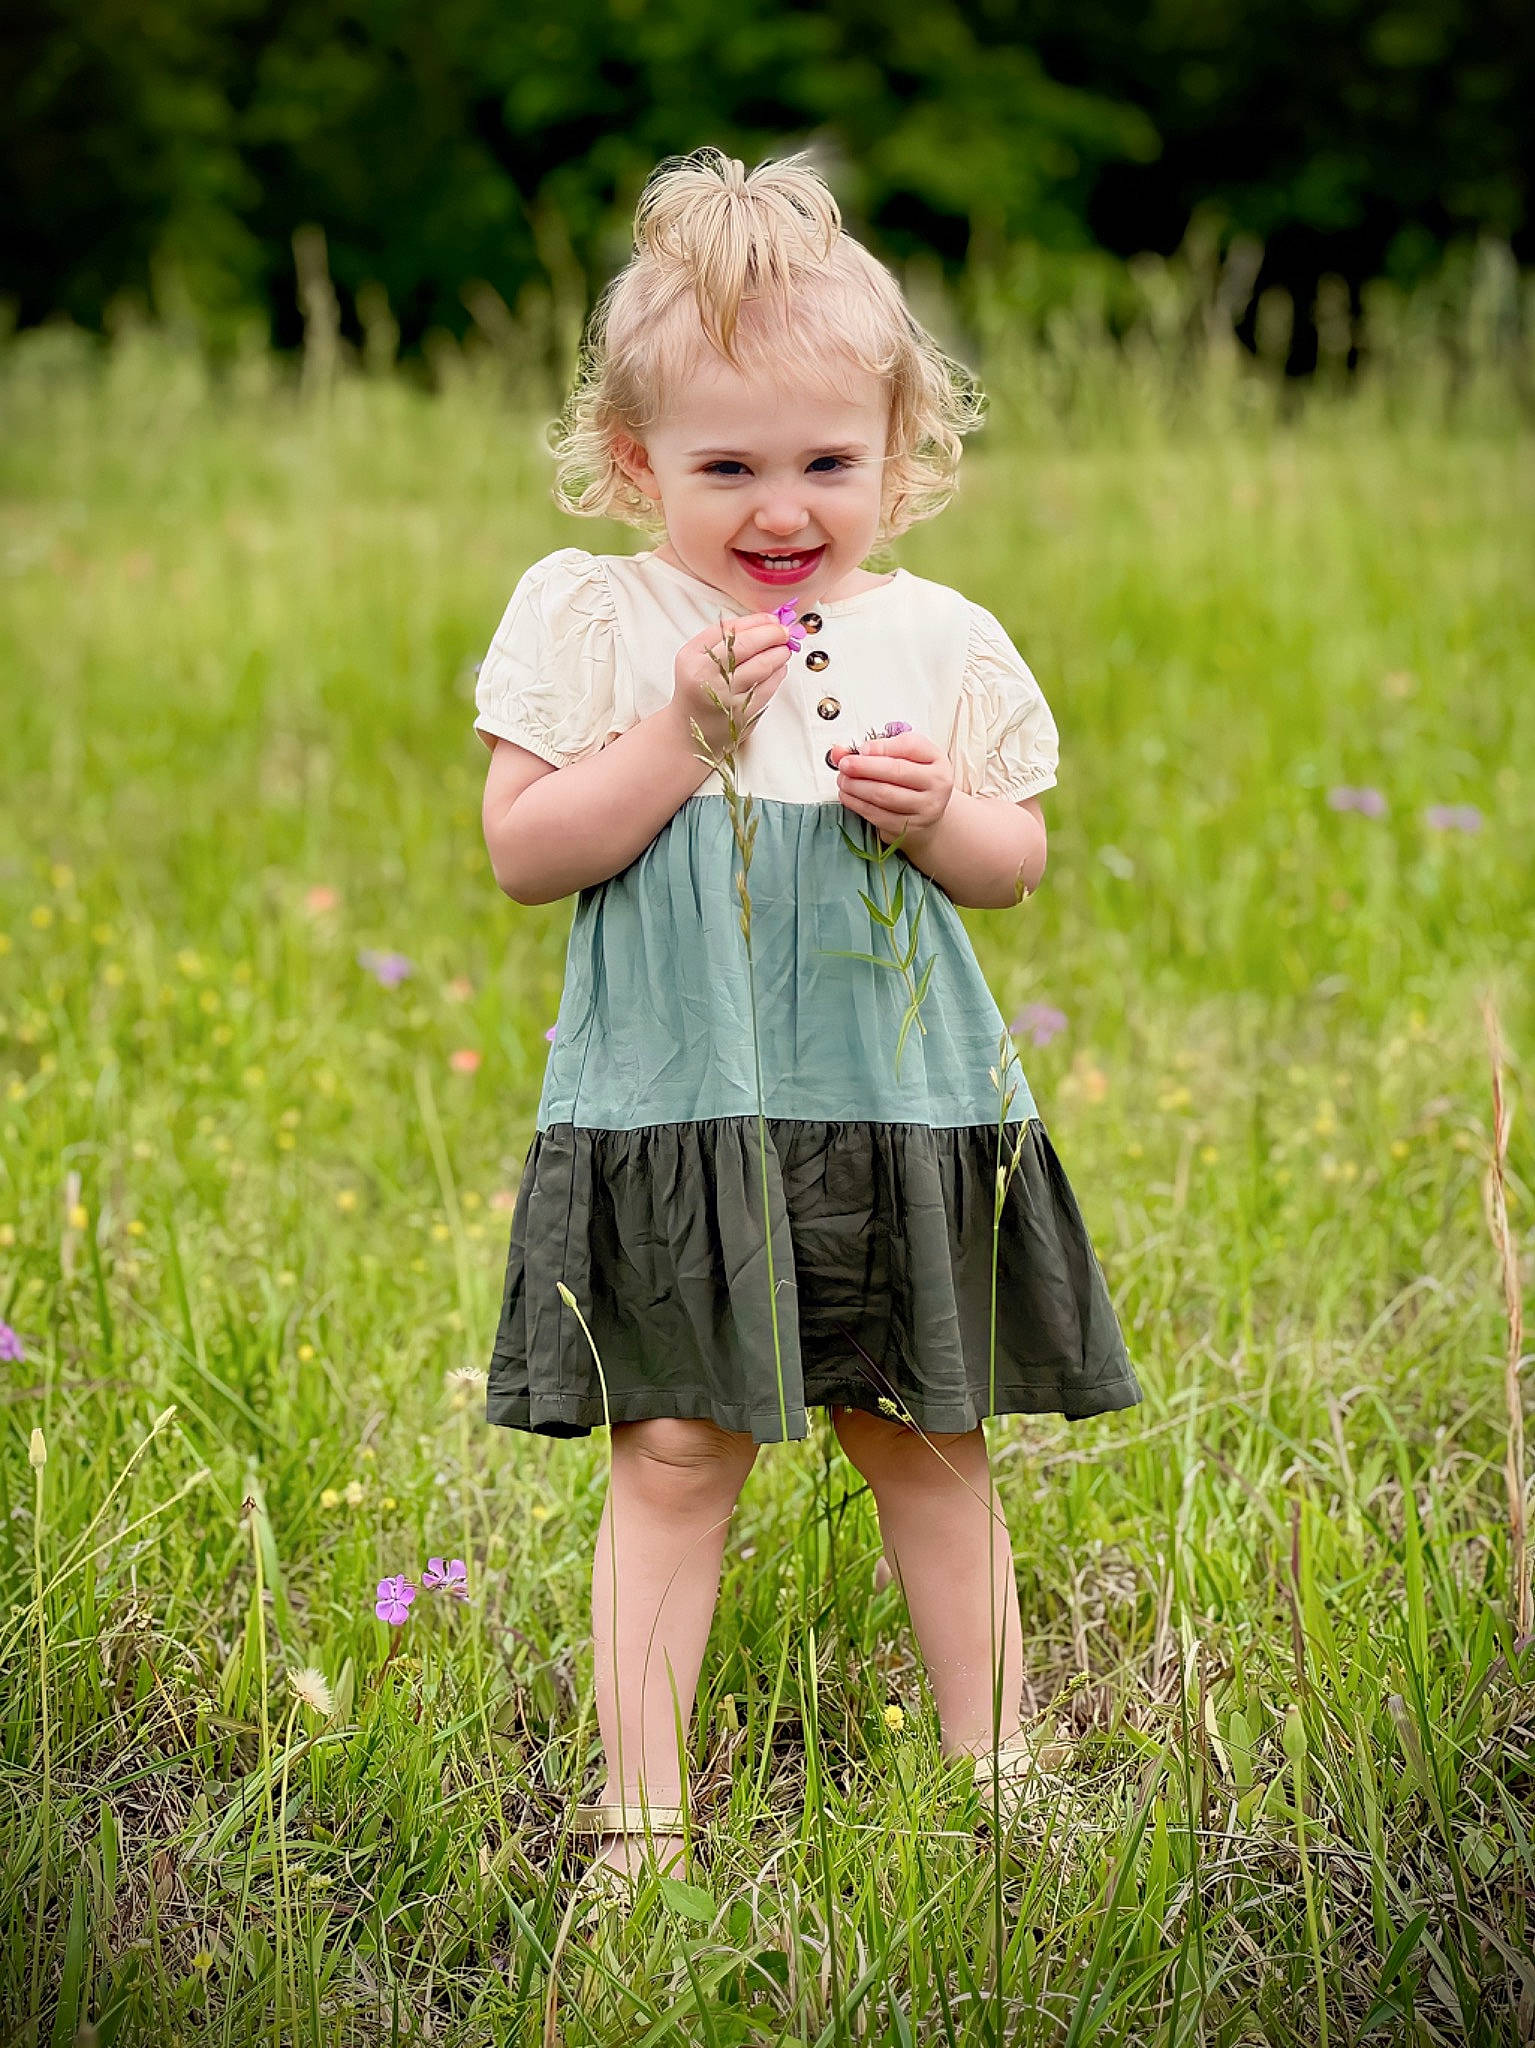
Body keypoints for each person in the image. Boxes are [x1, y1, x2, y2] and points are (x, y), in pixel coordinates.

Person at [473, 146, 1141, 1909]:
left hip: (899, 1103)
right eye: (728, 467)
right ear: (638, 462)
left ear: (898, 457)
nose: (782, 507)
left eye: (828, 462)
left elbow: (1015, 865)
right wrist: (679, 734)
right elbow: (526, 853)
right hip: (677, 1107)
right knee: (676, 1448)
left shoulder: (939, 639)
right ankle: (641, 1820)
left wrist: (940, 819)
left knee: (926, 1434)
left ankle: (996, 1768)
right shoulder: (600, 616)